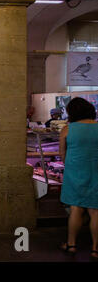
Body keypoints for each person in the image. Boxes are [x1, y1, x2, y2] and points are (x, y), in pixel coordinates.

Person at [59, 97, 98, 259]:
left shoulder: (67, 129)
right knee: (95, 210)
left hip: (74, 171)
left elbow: (62, 155)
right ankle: (95, 248)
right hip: (95, 171)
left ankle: (71, 244)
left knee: (76, 208)